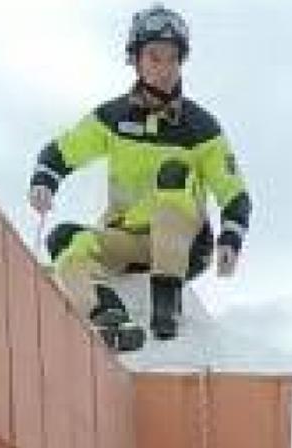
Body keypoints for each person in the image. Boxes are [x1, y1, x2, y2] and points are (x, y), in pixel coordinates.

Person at [28, 4, 252, 351]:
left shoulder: (201, 126)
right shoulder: (114, 118)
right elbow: (63, 150)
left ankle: (166, 306)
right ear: (136, 60)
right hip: (129, 241)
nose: (164, 69)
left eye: (173, 59)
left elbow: (234, 191)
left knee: (173, 174)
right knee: (64, 239)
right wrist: (45, 180)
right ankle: (109, 314)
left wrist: (231, 238)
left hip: (184, 247)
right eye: (154, 57)